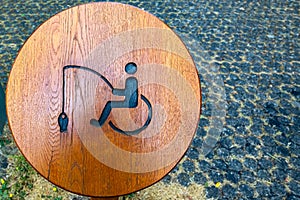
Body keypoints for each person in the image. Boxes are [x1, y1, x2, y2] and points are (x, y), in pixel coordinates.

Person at [91, 62, 138, 127]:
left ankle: (100, 123)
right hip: (129, 101)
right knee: (109, 104)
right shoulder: (131, 80)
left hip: (130, 103)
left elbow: (127, 93)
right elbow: (128, 93)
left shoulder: (131, 80)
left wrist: (116, 92)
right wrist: (116, 91)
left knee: (109, 104)